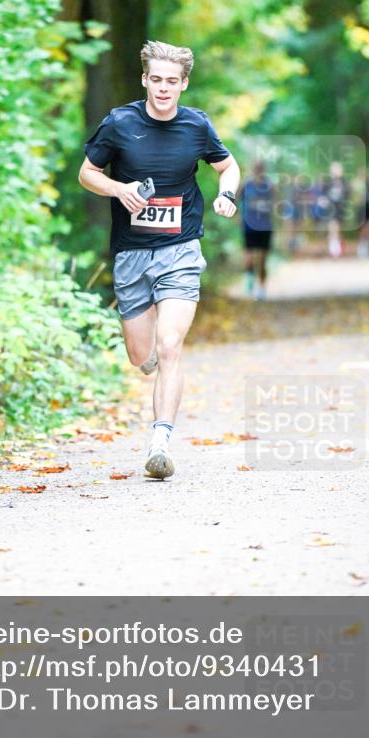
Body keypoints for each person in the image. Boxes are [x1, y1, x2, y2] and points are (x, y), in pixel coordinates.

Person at [78, 40, 240, 480]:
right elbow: (87, 173)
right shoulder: (120, 123)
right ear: (145, 79)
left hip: (181, 249)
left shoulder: (196, 126)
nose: (164, 88)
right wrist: (119, 189)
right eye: (157, 80)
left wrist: (227, 193)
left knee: (171, 346)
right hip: (132, 253)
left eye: (173, 81)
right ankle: (147, 362)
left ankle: (160, 443)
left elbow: (228, 166)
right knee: (141, 355)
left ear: (184, 84)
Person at [240, 160, 274, 300]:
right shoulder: (246, 185)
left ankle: (260, 287)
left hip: (265, 226)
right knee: (251, 256)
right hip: (250, 225)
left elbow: (276, 204)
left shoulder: (269, 186)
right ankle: (250, 279)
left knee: (262, 259)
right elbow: (236, 198)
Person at [315, 161, 350, 258]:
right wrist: (323, 202)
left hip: (341, 209)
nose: (336, 171)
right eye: (334, 169)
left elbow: (347, 194)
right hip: (330, 209)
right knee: (333, 227)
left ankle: (337, 247)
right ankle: (334, 251)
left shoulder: (344, 182)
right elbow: (323, 195)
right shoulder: (328, 182)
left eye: (338, 169)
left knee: (338, 229)